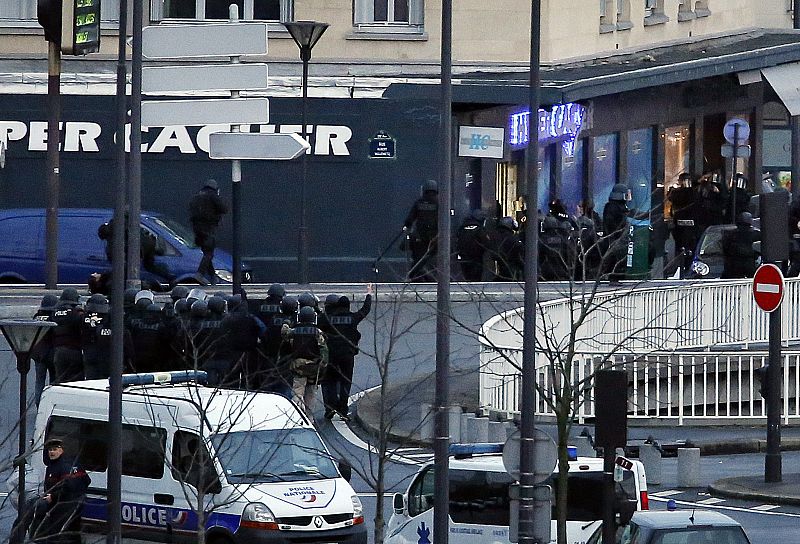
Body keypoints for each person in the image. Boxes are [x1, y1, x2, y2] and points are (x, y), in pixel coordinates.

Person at [320, 285, 373, 421]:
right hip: (347, 355)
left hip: (331, 355)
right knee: (345, 382)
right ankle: (343, 410)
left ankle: (330, 407)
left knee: (329, 381)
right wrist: (369, 294)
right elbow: (365, 310)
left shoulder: (327, 318)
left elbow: (318, 323)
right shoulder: (352, 318)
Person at [29, 438, 90, 544]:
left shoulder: (61, 466)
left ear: (61, 450)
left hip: (62, 507)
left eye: (55, 449)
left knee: (57, 535)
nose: (51, 452)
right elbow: (87, 480)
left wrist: (53, 497)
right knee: (73, 534)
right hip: (76, 505)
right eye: (50, 450)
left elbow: (68, 486)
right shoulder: (72, 463)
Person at [282, 306, 327, 417]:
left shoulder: (294, 331)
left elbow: (284, 335)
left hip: (298, 365)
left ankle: (297, 415)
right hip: (313, 366)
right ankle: (309, 417)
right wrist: (323, 365)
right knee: (311, 393)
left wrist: (286, 323)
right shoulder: (317, 332)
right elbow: (324, 349)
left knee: (297, 391)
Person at [188, 179, 229, 284]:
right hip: (209, 228)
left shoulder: (196, 197)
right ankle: (200, 274)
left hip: (197, 229)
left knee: (206, 252)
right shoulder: (213, 196)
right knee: (209, 253)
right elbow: (224, 209)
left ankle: (212, 276)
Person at [403, 180, 439, 281]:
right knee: (432, 261)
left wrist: (407, 227)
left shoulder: (419, 203)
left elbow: (410, 219)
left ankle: (416, 278)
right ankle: (432, 280)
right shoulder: (439, 204)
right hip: (435, 239)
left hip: (419, 239)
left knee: (418, 260)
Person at [51, 288, 85, 383]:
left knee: (60, 380)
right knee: (75, 382)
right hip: (73, 351)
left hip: (58, 351)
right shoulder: (76, 313)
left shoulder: (54, 312)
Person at [602, 183, 631, 285]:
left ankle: (617, 276)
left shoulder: (621, 207)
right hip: (614, 238)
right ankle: (613, 277)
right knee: (614, 257)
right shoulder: (612, 207)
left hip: (620, 238)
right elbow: (610, 224)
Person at [32, 294, 58, 406]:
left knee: (39, 383)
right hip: (51, 354)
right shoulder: (54, 317)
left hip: (37, 354)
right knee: (53, 383)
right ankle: (50, 406)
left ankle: (39, 406)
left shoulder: (36, 316)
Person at [721, 212, 760, 279]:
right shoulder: (756, 234)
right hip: (747, 265)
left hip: (736, 266)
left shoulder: (730, 235)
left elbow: (725, 249)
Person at [456, 210, 490, 281]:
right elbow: (486, 243)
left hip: (463, 258)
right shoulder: (480, 230)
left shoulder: (462, 228)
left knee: (467, 278)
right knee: (476, 279)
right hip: (476, 259)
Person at [488, 216, 524, 281]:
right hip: (511, 270)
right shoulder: (512, 238)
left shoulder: (494, 236)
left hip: (498, 268)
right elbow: (519, 252)